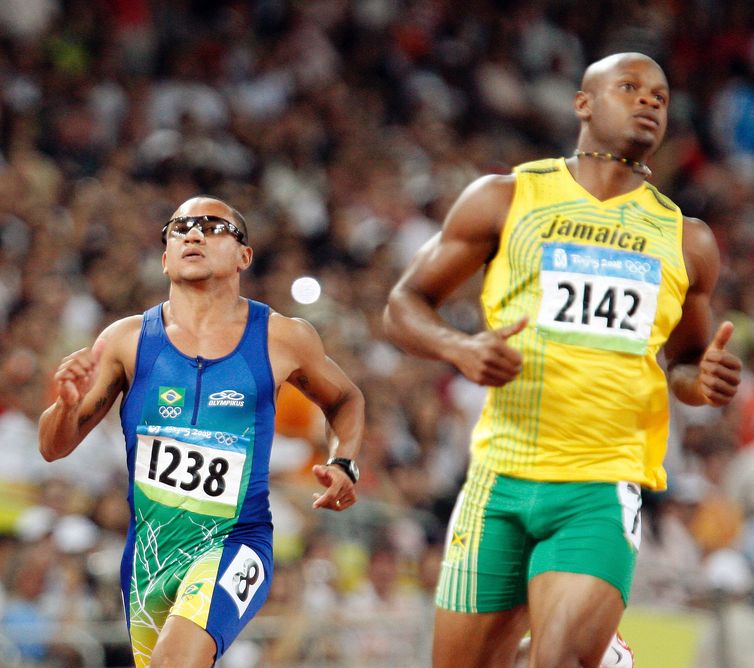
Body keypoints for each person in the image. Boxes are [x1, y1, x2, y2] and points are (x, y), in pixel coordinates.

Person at [383, 52, 741, 668]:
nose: (650, 101)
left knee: (560, 660)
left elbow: (682, 362)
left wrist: (702, 380)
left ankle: (590, 648)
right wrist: (459, 348)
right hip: (498, 480)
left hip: (600, 484)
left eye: (660, 94)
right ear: (583, 103)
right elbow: (403, 304)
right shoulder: (506, 197)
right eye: (630, 87)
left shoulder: (687, 239)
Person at [39, 196, 365, 668]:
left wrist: (343, 461)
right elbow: (53, 447)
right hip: (150, 557)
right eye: (179, 228)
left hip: (235, 544)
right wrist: (66, 405)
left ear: (243, 256)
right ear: (165, 256)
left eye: (212, 227)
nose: (193, 234)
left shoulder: (282, 338)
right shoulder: (127, 340)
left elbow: (345, 398)